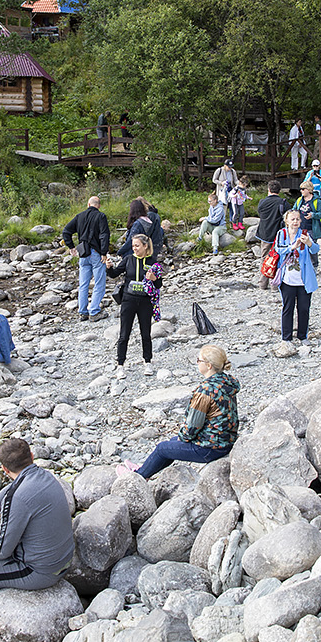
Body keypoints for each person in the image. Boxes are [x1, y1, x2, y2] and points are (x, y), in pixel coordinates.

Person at [0, 438, 74, 593]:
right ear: (31, 455)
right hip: (64, 561)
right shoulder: (45, 476)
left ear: (4, 469)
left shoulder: (17, 498)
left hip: (41, 573)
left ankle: (2, 593)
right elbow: (11, 488)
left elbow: (1, 552)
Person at [127, 345, 240, 478]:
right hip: (226, 441)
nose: (197, 363)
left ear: (208, 366)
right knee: (172, 442)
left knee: (162, 448)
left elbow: (193, 426)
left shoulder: (206, 391)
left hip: (210, 448)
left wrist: (183, 437)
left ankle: (138, 476)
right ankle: (146, 469)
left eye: (199, 360)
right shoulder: (226, 382)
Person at [115, 233, 161, 378]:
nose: (134, 248)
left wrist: (154, 279)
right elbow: (113, 273)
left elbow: (159, 284)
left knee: (145, 333)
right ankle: (120, 365)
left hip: (145, 302)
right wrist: (109, 267)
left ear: (145, 246)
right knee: (124, 334)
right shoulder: (128, 259)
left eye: (137, 245)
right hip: (128, 300)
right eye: (133, 245)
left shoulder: (153, 262)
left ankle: (148, 362)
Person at [273, 209, 318, 343]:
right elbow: (278, 249)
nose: (295, 222)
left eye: (298, 219)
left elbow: (315, 250)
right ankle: (286, 337)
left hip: (304, 279)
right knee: (288, 308)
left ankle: (302, 336)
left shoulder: (305, 234)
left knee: (304, 308)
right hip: (287, 279)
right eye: (292, 219)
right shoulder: (282, 234)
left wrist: (309, 243)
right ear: (286, 221)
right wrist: (292, 247)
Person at [63, 196, 111, 322]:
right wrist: (104, 252)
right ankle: (94, 311)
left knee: (83, 284)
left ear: (88, 204)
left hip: (83, 253)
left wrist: (71, 247)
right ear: (98, 205)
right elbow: (104, 235)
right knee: (99, 283)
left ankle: (83, 312)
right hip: (96, 252)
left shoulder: (79, 216)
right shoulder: (101, 217)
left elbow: (66, 231)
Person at [255, 179, 287, 247]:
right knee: (278, 255)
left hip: (264, 233)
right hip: (278, 234)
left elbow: (260, 213)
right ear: (279, 190)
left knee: (265, 256)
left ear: (269, 190)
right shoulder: (283, 203)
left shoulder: (262, 202)